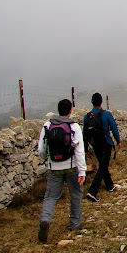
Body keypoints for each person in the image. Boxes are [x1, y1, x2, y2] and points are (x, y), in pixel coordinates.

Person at [37, 99, 86, 242]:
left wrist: (48, 160)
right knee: (75, 194)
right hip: (71, 167)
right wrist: (82, 171)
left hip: (54, 168)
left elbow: (41, 149)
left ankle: (45, 220)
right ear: (70, 111)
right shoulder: (74, 127)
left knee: (50, 196)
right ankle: (75, 223)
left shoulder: (47, 126)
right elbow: (79, 151)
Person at [84, 93, 121, 202]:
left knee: (103, 165)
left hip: (95, 145)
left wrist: (85, 149)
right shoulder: (106, 114)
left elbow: (84, 134)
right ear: (101, 102)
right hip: (106, 143)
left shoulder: (87, 116)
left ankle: (110, 186)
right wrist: (118, 141)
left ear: (92, 102)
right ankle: (92, 191)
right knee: (103, 167)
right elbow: (114, 128)